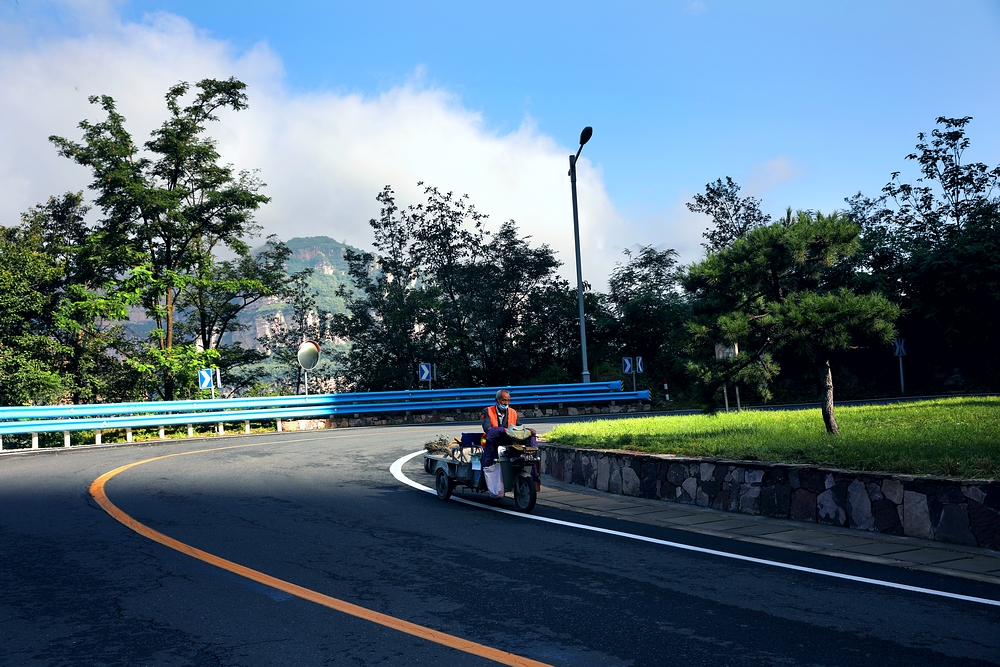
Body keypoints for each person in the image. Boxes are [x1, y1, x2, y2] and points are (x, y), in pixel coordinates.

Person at [481, 390, 540, 490]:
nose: (506, 403)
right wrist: (500, 430)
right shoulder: (488, 411)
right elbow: (487, 427)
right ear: (497, 400)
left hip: (511, 440)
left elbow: (518, 426)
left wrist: (528, 431)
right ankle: (485, 482)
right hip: (494, 441)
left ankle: (534, 477)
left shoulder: (513, 412)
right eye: (504, 400)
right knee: (489, 457)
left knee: (530, 440)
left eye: (508, 400)